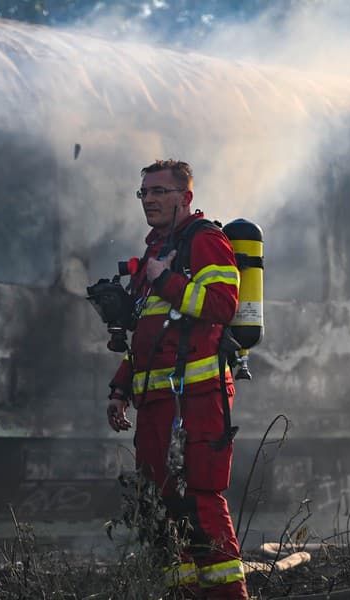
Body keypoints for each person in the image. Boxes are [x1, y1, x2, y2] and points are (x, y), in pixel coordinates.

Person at [106, 159, 248, 599]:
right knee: (159, 509)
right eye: (144, 192)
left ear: (185, 197)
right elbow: (147, 335)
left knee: (200, 504)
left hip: (196, 401)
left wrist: (164, 279)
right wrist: (119, 388)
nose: (149, 199)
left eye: (160, 192)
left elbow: (222, 305)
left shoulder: (205, 242)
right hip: (155, 407)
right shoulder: (155, 251)